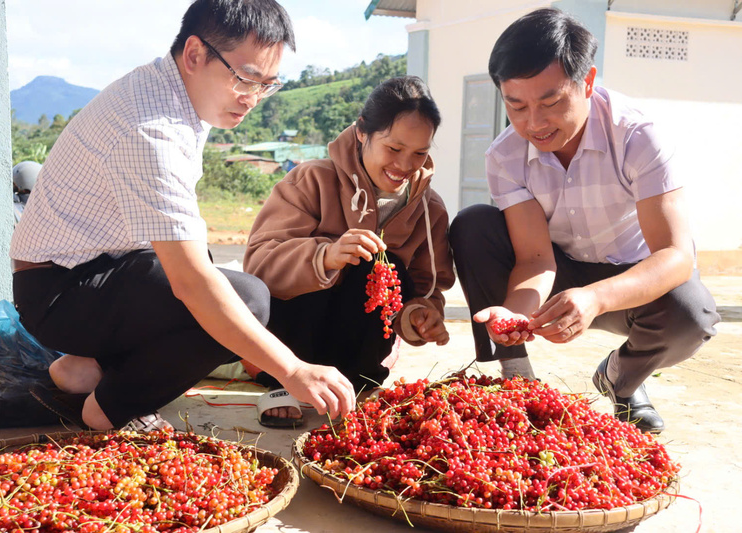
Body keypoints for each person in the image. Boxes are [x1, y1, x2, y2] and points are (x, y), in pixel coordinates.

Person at [10, 0, 356, 432]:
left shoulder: (177, 92)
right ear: (195, 54)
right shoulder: (151, 130)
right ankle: (111, 407)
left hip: (96, 268)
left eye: (267, 85)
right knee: (246, 299)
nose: (252, 99)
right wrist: (292, 369)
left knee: (209, 270)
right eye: (246, 79)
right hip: (60, 292)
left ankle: (87, 370)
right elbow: (191, 284)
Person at [449, 8, 719, 434]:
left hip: (634, 280)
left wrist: (595, 298)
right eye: (516, 106)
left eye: (551, 102)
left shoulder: (638, 136)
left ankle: (620, 378)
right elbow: (535, 258)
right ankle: (517, 380)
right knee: (474, 225)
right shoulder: (504, 156)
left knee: (692, 312)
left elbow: (675, 255)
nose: (534, 123)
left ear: (588, 82)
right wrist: (514, 315)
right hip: (561, 270)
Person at [244, 76, 455, 425]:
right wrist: (326, 256)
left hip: (360, 355)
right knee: (350, 259)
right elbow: (259, 266)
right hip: (291, 344)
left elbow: (427, 287)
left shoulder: (429, 209)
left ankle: (354, 381)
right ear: (361, 131)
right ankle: (280, 382)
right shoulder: (311, 180)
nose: (405, 165)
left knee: (383, 266)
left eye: (419, 153)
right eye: (394, 148)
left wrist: (421, 316)